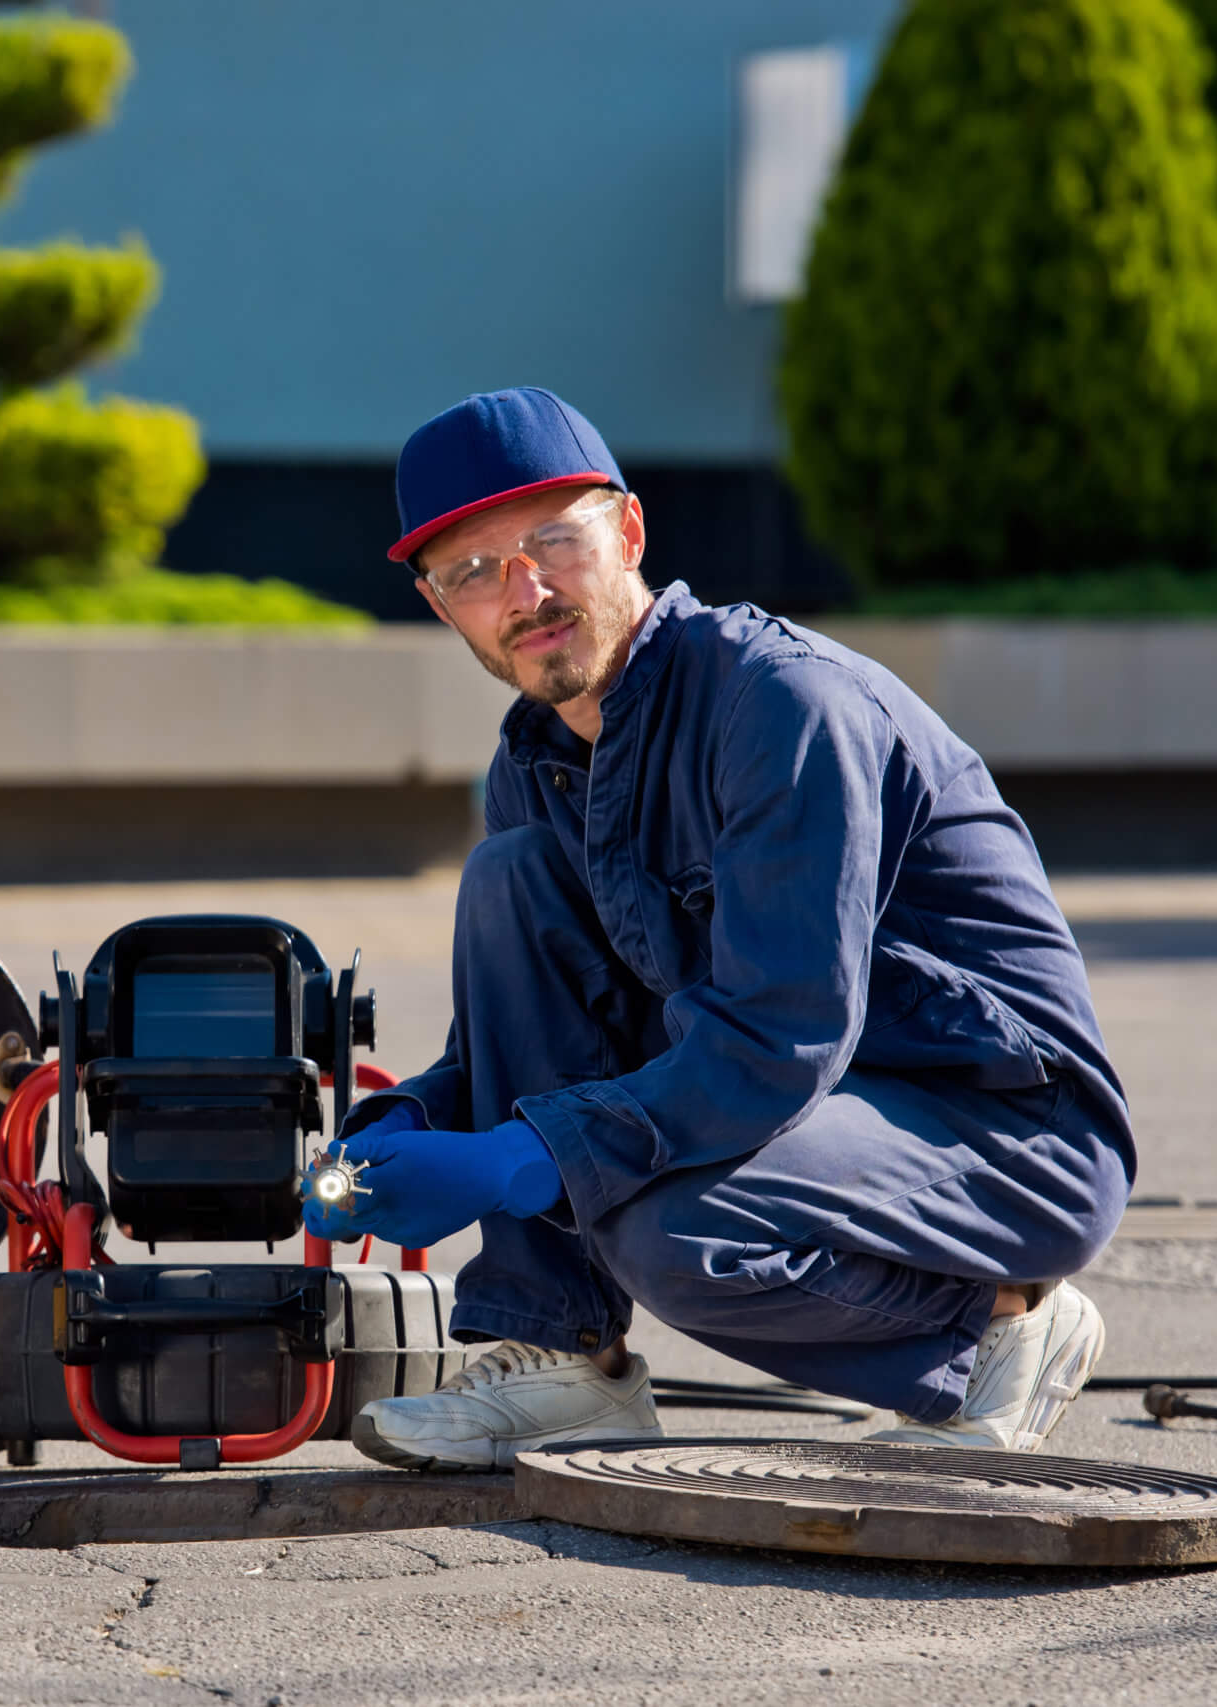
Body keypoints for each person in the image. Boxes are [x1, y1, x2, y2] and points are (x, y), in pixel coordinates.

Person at [307, 387, 1134, 1470]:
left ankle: (1002, 1323)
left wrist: (524, 1157)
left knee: (677, 1234)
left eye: (554, 540)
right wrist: (418, 1118)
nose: (527, 589)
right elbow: (541, 1028)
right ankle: (566, 1365)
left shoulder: (781, 705)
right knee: (507, 878)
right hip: (809, 1107)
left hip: (997, 1130)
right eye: (473, 570)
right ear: (439, 606)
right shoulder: (536, 758)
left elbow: (774, 1036)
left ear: (630, 532)